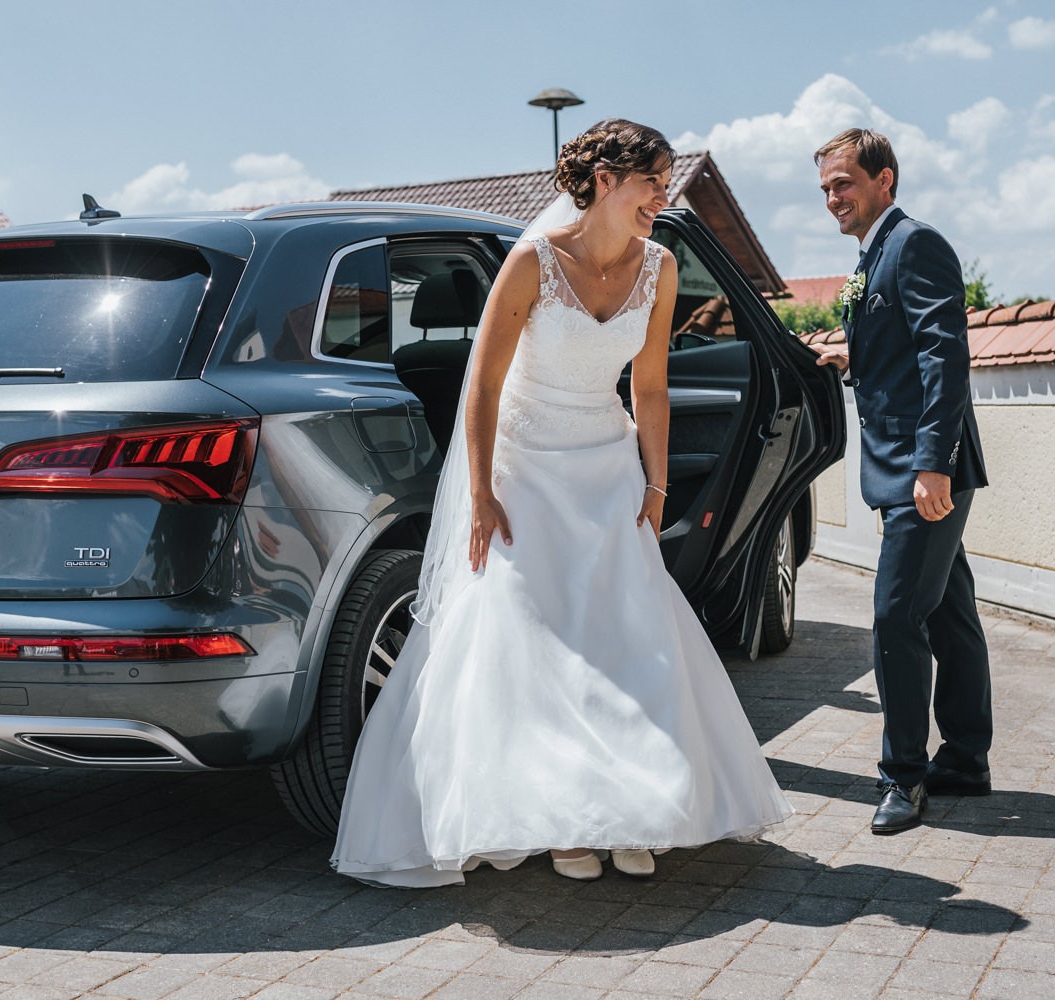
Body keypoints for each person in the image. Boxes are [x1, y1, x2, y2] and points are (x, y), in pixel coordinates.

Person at [331, 119, 792, 887]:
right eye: (652, 179)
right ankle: (559, 824)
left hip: (607, 468)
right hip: (526, 474)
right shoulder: (531, 265)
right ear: (607, 180)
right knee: (537, 648)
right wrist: (480, 493)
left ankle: (634, 810)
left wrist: (654, 484)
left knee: (628, 638)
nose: (663, 194)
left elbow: (649, 385)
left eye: (666, 179)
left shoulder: (661, 266)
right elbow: (481, 384)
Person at [810, 128, 992, 835]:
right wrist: (847, 354)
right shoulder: (873, 254)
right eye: (826, 188)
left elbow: (946, 358)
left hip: (925, 466)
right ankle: (967, 760)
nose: (833, 199)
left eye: (844, 183)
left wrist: (933, 464)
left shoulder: (914, 243)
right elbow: (901, 345)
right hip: (906, 462)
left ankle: (903, 777)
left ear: (885, 180)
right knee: (946, 609)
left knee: (893, 616)